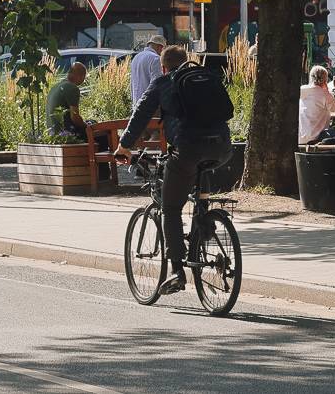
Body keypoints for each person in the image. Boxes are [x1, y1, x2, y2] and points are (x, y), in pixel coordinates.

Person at [115, 45, 233, 294]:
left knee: (170, 207)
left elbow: (141, 114)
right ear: (187, 61)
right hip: (222, 148)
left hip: (188, 148)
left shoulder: (163, 82)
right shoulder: (205, 78)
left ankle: (177, 271)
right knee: (202, 169)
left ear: (162, 66)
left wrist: (124, 146)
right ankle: (205, 224)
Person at [297, 64, 335, 145]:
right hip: (317, 139)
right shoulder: (324, 94)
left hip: (299, 138)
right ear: (325, 79)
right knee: (334, 134)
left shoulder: (301, 90)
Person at [46, 61, 90, 140]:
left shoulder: (56, 87)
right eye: (84, 77)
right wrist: (87, 126)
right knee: (102, 136)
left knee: (91, 122)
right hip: (66, 133)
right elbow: (75, 117)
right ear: (80, 76)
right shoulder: (72, 88)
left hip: (52, 133)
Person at [130, 39, 164, 108]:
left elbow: (132, 81)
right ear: (159, 47)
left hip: (136, 101)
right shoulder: (155, 58)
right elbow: (156, 82)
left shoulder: (137, 57)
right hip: (148, 104)